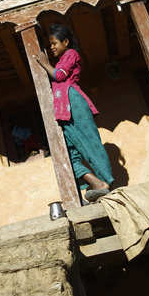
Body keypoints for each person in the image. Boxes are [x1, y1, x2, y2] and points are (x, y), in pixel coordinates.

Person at [33, 24, 114, 202]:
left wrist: (45, 64)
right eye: (50, 44)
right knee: (68, 153)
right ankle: (96, 183)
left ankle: (107, 180)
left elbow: (60, 76)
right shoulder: (60, 60)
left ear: (66, 42)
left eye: (54, 43)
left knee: (90, 142)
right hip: (63, 110)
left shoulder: (71, 54)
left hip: (74, 103)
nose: (51, 47)